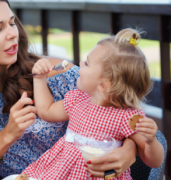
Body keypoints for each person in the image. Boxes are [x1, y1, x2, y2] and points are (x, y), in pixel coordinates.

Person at [0, 0, 138, 178]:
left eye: (12, 23)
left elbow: (122, 112)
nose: (13, 34)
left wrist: (129, 150)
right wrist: (6, 136)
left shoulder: (56, 74)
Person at [22, 28, 164, 179]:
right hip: (61, 172)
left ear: (104, 85)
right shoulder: (77, 99)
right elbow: (46, 111)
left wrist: (151, 141)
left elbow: (154, 162)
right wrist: (39, 78)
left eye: (87, 63)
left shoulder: (127, 117)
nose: (80, 63)